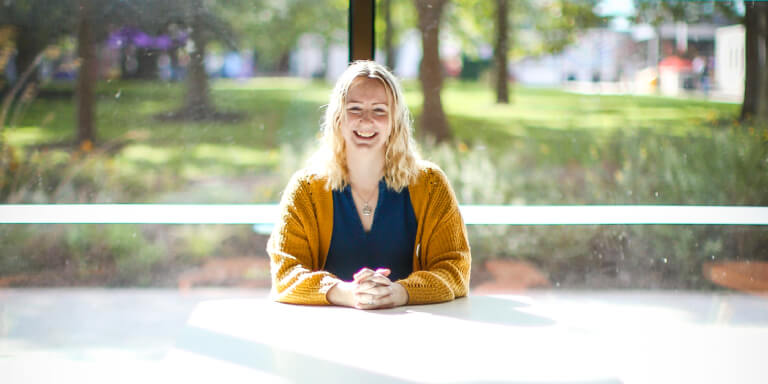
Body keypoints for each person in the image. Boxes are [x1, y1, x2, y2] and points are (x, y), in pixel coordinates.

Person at [267, 60, 470, 309]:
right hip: (323, 334)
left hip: (411, 330)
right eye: (354, 108)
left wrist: (399, 292)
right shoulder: (305, 190)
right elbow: (285, 275)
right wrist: (347, 293)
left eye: (379, 110)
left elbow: (454, 270)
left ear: (395, 121)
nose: (366, 120)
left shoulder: (430, 184)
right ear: (338, 117)